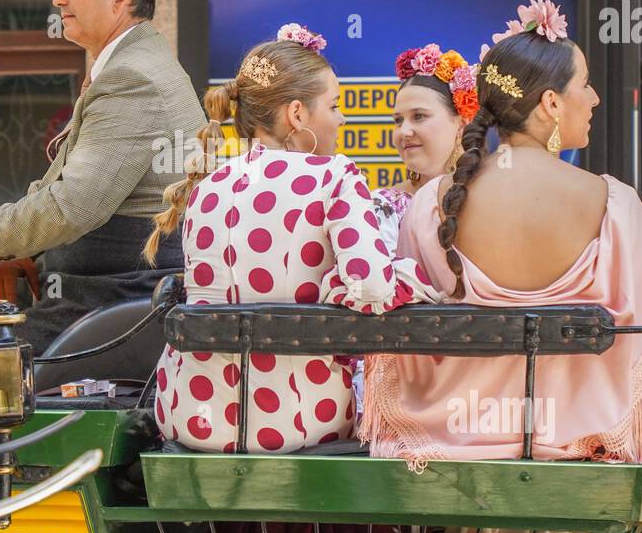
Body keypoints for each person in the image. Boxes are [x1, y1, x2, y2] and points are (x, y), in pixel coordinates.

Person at [361, 0, 642, 533]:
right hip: (583, 450)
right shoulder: (612, 201)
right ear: (551, 103)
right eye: (586, 84)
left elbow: (409, 332)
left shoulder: (430, 205)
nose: (595, 98)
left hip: (461, 451)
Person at [143, 27, 440, 454]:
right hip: (296, 423)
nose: (342, 118)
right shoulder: (334, 177)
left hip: (188, 416)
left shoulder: (207, 186)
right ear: (298, 115)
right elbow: (371, 287)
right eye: (335, 106)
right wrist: (387, 279)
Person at [0, 0, 206, 359]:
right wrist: (21, 242)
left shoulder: (133, 77)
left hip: (123, 296)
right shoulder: (132, 65)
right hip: (112, 291)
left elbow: (74, 205)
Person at [373, 44, 479, 255]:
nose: (403, 131)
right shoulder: (382, 205)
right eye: (398, 120)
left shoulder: (492, 196)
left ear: (461, 123)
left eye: (419, 116)